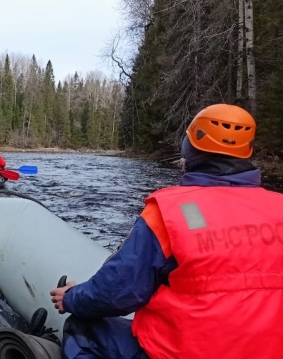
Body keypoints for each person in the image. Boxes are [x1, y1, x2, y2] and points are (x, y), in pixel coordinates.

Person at [49, 104, 283, 359]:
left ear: (190, 148)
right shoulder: (278, 207)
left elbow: (117, 292)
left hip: (182, 352)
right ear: (246, 152)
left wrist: (72, 298)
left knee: (82, 327)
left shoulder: (171, 212)